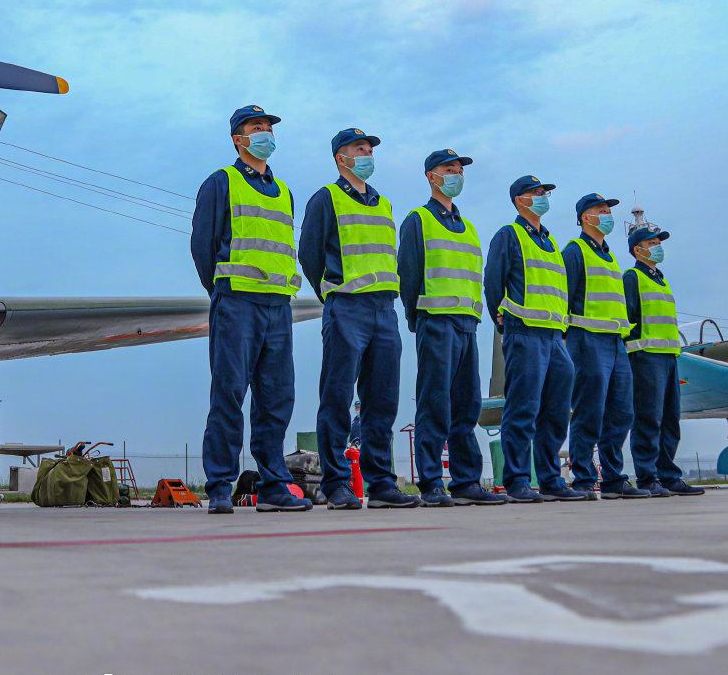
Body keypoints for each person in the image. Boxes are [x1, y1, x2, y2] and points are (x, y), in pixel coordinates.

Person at [189, 105, 312, 514]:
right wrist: (221, 291)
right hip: (237, 302)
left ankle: (274, 484)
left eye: (269, 128)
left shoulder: (285, 192)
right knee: (229, 393)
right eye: (257, 127)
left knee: (277, 399)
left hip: (278, 306)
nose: (265, 134)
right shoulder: (221, 182)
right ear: (238, 139)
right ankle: (219, 487)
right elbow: (203, 245)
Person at [299, 128, 422, 509]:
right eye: (360, 149)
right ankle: (336, 483)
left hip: (385, 310)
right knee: (337, 397)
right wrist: (332, 293)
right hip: (347, 307)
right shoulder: (326, 198)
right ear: (341, 158)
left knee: (382, 401)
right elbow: (309, 254)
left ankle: (381, 484)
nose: (368, 154)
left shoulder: (383, 204)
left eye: (369, 149)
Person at [399, 150, 507, 507]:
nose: (457, 175)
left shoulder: (469, 227)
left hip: (466, 326)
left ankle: (466, 482)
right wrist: (417, 319)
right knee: (435, 404)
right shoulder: (418, 220)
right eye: (449, 170)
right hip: (435, 322)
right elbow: (408, 274)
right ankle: (432, 483)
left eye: (460, 170)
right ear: (431, 176)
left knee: (466, 405)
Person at [483, 176, 585, 502]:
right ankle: (517, 481)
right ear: (519, 199)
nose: (543, 196)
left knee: (556, 412)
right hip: (524, 333)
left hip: (555, 339)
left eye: (545, 192)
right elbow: (492, 282)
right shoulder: (509, 235)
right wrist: (501, 320)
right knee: (523, 409)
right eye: (536, 192)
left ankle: (551, 479)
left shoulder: (551, 243)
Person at [561, 194, 649, 499]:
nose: (608, 215)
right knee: (589, 410)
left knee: (621, 412)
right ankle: (584, 478)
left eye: (609, 211)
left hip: (615, 342)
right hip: (587, 339)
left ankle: (613, 478)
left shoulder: (610, 258)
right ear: (586, 218)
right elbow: (564, 296)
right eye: (602, 211)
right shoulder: (575, 251)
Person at [624, 223, 704, 497]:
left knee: (670, 419)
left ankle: (668, 476)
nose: (658, 247)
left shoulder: (662, 280)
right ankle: (648, 478)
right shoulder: (632, 278)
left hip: (669, 358)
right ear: (638, 250)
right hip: (645, 357)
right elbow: (627, 318)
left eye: (659, 243)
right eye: (652, 243)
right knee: (648, 419)